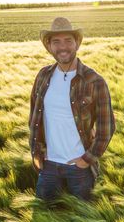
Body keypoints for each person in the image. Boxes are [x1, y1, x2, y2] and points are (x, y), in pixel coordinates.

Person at [29, 17, 116, 202]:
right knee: (43, 220)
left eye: (68, 40)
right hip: (48, 166)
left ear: (77, 43)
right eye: (56, 42)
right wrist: (36, 151)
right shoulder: (43, 76)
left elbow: (106, 128)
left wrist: (86, 160)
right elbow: (34, 117)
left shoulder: (94, 81)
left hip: (79, 168)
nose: (63, 47)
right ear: (49, 46)